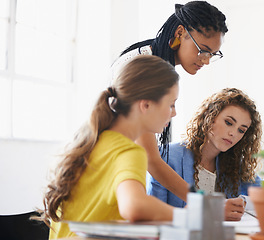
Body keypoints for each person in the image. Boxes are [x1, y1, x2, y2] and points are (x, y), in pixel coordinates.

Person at [37, 55, 180, 239]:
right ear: (146, 105)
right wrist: (192, 217)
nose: (174, 113)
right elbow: (134, 206)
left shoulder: (89, 142)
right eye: (171, 104)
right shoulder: (129, 151)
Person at [111, 1, 228, 203]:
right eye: (203, 50)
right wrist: (204, 204)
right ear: (180, 33)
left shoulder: (152, 57)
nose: (206, 60)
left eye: (212, 54)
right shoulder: (146, 66)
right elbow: (151, 160)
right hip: (112, 178)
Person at [148, 88, 263, 221]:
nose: (233, 134)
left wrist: (243, 201)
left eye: (241, 130)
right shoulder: (167, 156)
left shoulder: (235, 165)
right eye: (228, 123)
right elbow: (154, 216)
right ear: (210, 117)